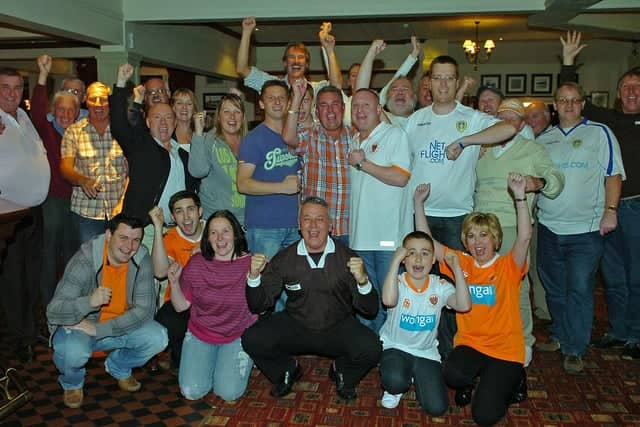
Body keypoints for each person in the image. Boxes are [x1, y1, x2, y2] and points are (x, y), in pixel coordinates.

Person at [403, 55, 517, 360]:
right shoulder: (416, 120)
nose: (442, 84)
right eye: (437, 78)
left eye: (448, 78)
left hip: (457, 220)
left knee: (455, 289)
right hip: (421, 216)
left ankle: (456, 352)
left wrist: (466, 141)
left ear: (457, 82)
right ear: (428, 82)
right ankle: (423, 350)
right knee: (422, 286)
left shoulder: (472, 117)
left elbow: (508, 128)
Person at [415, 173, 532, 426]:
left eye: (484, 235)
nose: (477, 242)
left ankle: (513, 378)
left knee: (485, 416)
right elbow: (427, 243)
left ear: (495, 239)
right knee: (453, 375)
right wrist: (418, 205)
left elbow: (524, 238)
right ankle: (479, 378)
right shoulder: (462, 262)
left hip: (505, 350)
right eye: (471, 236)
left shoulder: (508, 266)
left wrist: (520, 197)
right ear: (465, 241)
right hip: (472, 344)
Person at [241, 197, 382, 401]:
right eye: (307, 219)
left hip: (337, 325)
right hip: (297, 324)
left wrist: (363, 281)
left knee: (372, 348)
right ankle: (287, 370)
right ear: (299, 225)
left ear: (330, 225)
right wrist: (253, 277)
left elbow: (371, 310)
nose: (313, 226)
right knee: (252, 339)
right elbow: (258, 305)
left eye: (320, 219)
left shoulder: (347, 257)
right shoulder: (285, 258)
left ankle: (341, 371)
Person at [535, 81, 625, 374]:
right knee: (555, 289)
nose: (569, 105)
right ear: (555, 105)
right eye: (563, 100)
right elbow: (537, 179)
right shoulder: (544, 139)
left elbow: (613, 175)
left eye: (574, 100)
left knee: (579, 289)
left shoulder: (600, 133)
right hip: (549, 227)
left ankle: (575, 348)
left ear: (583, 104)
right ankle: (561, 336)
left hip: (585, 231)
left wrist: (611, 211)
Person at [560, 30, 640, 359]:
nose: (632, 93)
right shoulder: (607, 121)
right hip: (605, 210)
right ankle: (619, 331)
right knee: (613, 277)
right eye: (626, 88)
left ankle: (636, 333)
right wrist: (568, 62)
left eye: (637, 88)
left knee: (637, 276)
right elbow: (575, 102)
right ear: (619, 93)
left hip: (636, 209)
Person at [475, 98, 565, 371]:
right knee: (483, 288)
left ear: (521, 124)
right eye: (500, 118)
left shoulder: (532, 150)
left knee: (515, 287)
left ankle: (523, 341)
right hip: (479, 229)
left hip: (512, 226)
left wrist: (536, 182)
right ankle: (487, 339)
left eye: (512, 118)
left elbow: (556, 180)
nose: (505, 123)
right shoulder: (483, 151)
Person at [46, 214, 167, 409]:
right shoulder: (86, 258)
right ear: (109, 235)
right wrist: (88, 303)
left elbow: (145, 311)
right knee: (73, 352)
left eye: (136, 240)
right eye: (123, 238)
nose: (129, 246)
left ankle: (119, 366)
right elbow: (54, 311)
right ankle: (73, 383)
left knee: (158, 337)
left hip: (114, 327)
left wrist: (99, 330)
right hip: (83, 329)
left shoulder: (141, 257)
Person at [167, 210, 256, 401]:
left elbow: (262, 305)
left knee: (228, 392)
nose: (220, 238)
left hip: (237, 335)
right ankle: (213, 363)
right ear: (207, 238)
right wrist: (174, 283)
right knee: (191, 392)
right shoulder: (197, 263)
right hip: (201, 334)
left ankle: (233, 362)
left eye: (225, 231)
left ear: (236, 234)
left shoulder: (251, 264)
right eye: (213, 233)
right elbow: (181, 306)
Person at [378, 231, 471, 412]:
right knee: (395, 381)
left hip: (425, 352)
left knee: (437, 408)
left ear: (434, 259)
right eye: (411, 253)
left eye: (425, 253)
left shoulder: (440, 286)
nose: (418, 259)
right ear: (404, 258)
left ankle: (414, 375)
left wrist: (457, 269)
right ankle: (395, 386)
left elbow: (464, 305)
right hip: (395, 347)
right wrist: (394, 262)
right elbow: (388, 300)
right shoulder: (397, 281)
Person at [110, 63, 198, 249]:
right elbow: (118, 125)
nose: (163, 123)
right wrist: (120, 84)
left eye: (168, 118)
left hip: (178, 231)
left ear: (175, 123)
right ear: (148, 122)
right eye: (157, 118)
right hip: (145, 231)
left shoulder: (183, 154)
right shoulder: (140, 146)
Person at [348, 88, 410, 331]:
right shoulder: (355, 140)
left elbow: (400, 177)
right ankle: (370, 349)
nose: (360, 111)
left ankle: (391, 350)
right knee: (366, 297)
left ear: (378, 110)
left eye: (366, 105)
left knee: (390, 299)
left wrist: (363, 163)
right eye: (355, 107)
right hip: (360, 237)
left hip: (388, 238)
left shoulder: (395, 134)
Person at [0, 66, 50, 363]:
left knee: (33, 275)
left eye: (17, 87)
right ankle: (20, 339)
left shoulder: (23, 118)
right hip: (9, 217)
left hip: (34, 211)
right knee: (13, 280)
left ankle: (31, 330)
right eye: (5, 87)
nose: (11, 93)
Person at [30, 54, 80, 304]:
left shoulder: (81, 135)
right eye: (61, 109)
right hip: (52, 199)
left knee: (73, 254)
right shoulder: (45, 130)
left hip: (77, 201)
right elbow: (37, 112)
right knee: (50, 253)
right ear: (54, 110)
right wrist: (42, 76)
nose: (65, 114)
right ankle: (49, 303)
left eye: (71, 111)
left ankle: (69, 302)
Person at [237, 80, 300, 265]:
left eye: (282, 98)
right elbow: (243, 183)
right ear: (261, 104)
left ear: (289, 103)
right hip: (265, 227)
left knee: (295, 287)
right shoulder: (253, 139)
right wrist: (282, 187)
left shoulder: (297, 136)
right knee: (267, 285)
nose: (277, 102)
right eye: (271, 98)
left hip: (296, 226)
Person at [282, 84, 354, 245]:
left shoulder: (356, 137)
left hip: (352, 228)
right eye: (324, 105)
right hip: (318, 232)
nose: (330, 110)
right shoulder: (308, 136)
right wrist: (296, 100)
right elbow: (288, 138)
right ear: (316, 111)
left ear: (343, 108)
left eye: (335, 104)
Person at [60, 81, 127, 246]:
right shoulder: (74, 131)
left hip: (119, 211)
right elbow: (65, 167)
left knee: (119, 262)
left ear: (110, 102)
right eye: (93, 99)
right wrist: (83, 180)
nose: (98, 104)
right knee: (91, 264)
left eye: (103, 99)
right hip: (86, 212)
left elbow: (133, 170)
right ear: (86, 101)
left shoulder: (123, 129)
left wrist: (125, 198)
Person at [149, 190, 204, 373]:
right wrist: (158, 227)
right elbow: (159, 272)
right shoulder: (171, 237)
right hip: (181, 300)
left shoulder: (215, 232)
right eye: (179, 211)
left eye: (191, 209)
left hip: (211, 300)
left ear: (200, 211)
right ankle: (178, 359)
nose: (186, 217)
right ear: (173, 216)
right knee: (166, 320)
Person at [236, 17, 341, 96]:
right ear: (285, 63)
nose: (296, 61)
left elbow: (336, 86)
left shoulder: (315, 89)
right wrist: (246, 32)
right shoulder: (273, 86)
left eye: (300, 57)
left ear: (307, 64)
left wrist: (329, 49)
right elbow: (242, 69)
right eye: (291, 57)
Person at [189, 93, 247, 222]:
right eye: (226, 111)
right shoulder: (211, 139)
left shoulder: (250, 141)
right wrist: (198, 134)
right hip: (216, 218)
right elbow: (198, 171)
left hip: (246, 219)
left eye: (237, 111)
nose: (232, 116)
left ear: (242, 116)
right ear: (219, 117)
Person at [353, 38, 421, 127]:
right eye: (394, 89)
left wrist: (413, 55)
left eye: (405, 88)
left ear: (415, 96)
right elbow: (361, 93)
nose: (400, 92)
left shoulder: (423, 119)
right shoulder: (380, 118)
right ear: (386, 96)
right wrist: (371, 54)